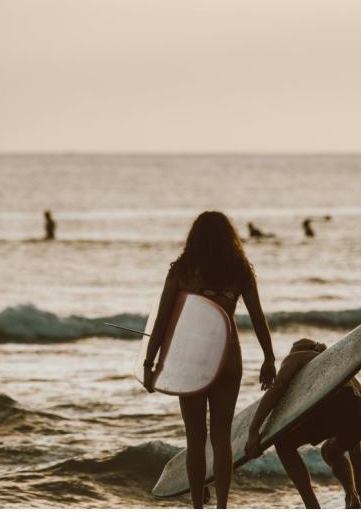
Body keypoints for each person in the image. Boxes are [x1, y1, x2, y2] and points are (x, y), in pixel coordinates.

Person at [142, 211, 276, 508]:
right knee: (221, 437)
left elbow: (162, 320)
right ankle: (222, 506)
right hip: (228, 355)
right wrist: (269, 357)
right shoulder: (239, 270)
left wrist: (148, 364)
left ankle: (197, 507)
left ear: (195, 238)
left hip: (191, 358)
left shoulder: (183, 270)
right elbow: (258, 317)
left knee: (195, 440)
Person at [245, 338, 361, 509]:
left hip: (340, 405)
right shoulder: (341, 368)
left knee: (283, 443)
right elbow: (356, 450)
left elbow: (277, 388)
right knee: (331, 451)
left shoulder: (299, 357)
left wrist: (253, 431)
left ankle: (312, 507)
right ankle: (353, 497)